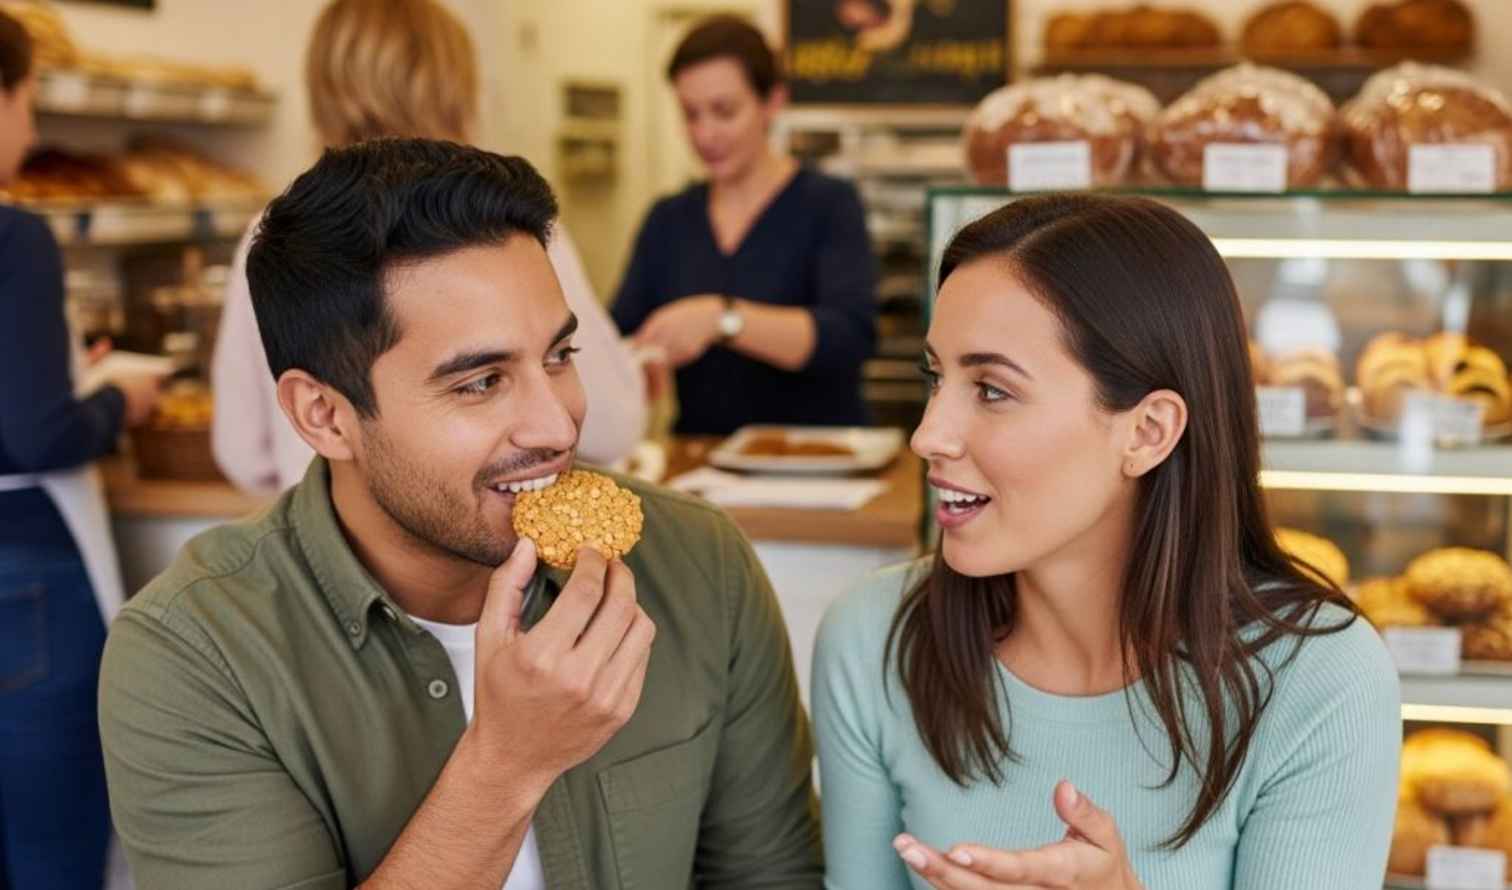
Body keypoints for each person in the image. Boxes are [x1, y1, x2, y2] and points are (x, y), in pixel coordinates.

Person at [99, 138, 822, 889]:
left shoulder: (699, 565)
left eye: (558, 356)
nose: (556, 425)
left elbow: (771, 877)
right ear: (324, 415)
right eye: (480, 382)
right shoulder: (195, 656)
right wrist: (509, 764)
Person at [813, 194, 1400, 890]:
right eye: (936, 379)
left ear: (1147, 431)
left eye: (992, 390)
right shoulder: (874, 638)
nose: (928, 435)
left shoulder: (1320, 681)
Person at [213, 0, 644, 494]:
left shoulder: (268, 239)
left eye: (561, 355)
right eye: (478, 382)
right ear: (455, 90)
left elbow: (241, 450)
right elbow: (615, 423)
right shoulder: (506, 233)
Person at [0, 10, 159, 890]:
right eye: (28, 102)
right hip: (22, 574)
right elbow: (37, 432)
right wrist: (114, 400)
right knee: (54, 855)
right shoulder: (15, 236)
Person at [612, 15, 876, 436]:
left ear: (772, 102)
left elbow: (848, 338)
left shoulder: (828, 204)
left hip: (819, 467)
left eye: (724, 111)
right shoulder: (668, 220)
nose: (705, 133)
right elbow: (620, 333)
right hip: (700, 464)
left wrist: (722, 319)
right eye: (691, 115)